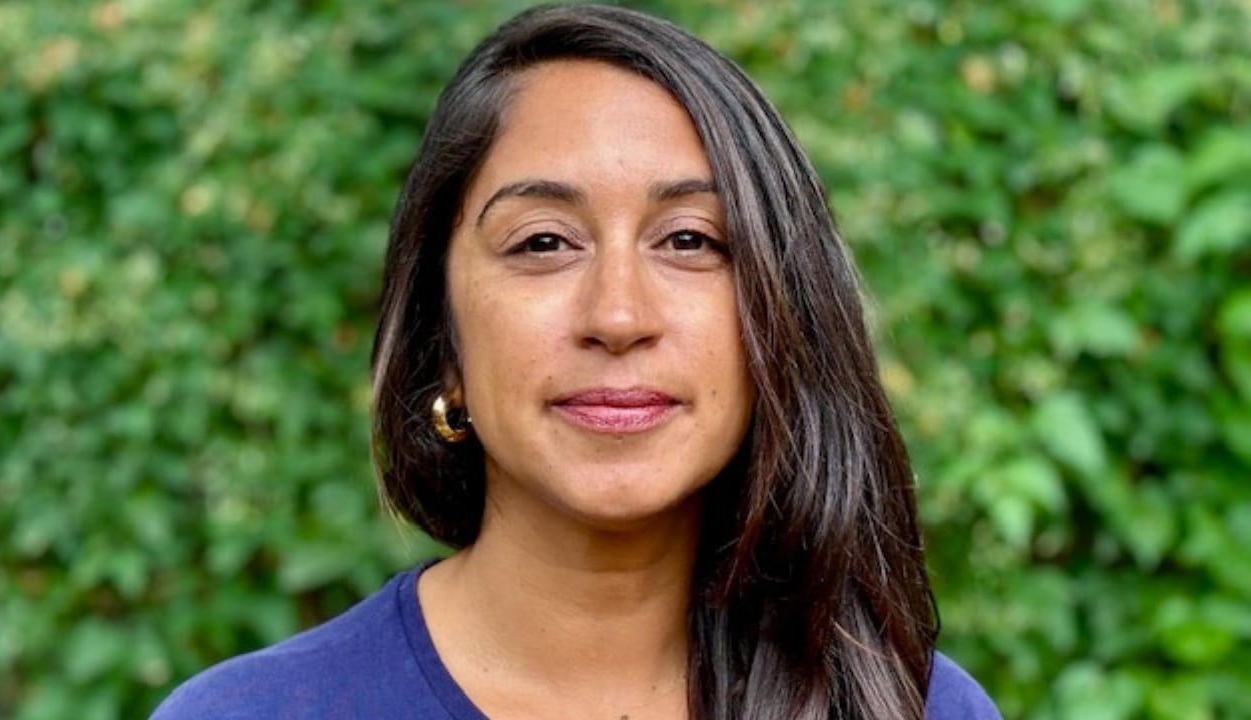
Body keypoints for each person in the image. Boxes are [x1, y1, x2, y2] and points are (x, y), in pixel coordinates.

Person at [152, 4, 1002, 719]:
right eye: (544, 242)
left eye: (690, 240)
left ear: (779, 320)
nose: (619, 316)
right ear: (440, 340)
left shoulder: (904, 703)